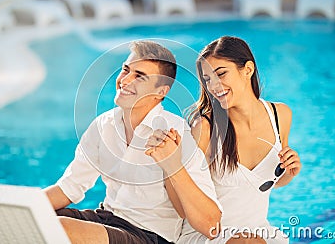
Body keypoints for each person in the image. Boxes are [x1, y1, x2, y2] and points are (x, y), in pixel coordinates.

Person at [43, 40, 222, 244]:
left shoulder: (176, 133)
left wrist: (172, 164)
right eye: (126, 70)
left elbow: (211, 224)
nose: (125, 80)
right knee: (38, 220)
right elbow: (69, 187)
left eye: (139, 76)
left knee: (61, 229)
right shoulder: (103, 125)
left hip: (148, 235)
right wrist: (22, 207)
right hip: (107, 219)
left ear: (160, 92)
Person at [150, 36, 301, 244]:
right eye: (208, 79)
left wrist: (290, 173)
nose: (214, 86)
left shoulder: (280, 115)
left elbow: (264, 184)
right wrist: (171, 166)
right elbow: (181, 208)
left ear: (247, 70)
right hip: (209, 235)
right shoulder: (206, 128)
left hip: (259, 232)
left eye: (221, 74)